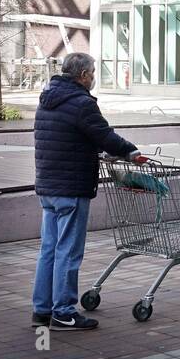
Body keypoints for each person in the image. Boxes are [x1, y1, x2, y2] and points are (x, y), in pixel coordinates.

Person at [32, 52, 139, 331]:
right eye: (92, 72)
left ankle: (42, 310)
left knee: (49, 249)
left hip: (48, 186)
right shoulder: (81, 103)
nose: (94, 77)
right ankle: (64, 312)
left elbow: (74, 135)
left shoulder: (47, 99)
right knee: (68, 250)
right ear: (82, 76)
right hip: (71, 187)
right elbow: (104, 135)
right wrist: (129, 151)